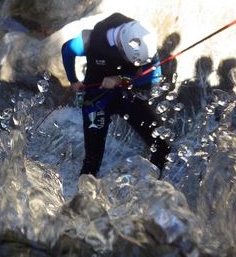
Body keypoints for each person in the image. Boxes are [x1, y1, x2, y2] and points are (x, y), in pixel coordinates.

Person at [61, 12, 170, 177]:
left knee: (161, 146)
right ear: (121, 47)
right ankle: (84, 196)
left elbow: (153, 78)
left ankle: (157, 187)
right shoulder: (91, 40)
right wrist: (73, 80)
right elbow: (67, 50)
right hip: (96, 97)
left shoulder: (145, 42)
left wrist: (122, 79)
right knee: (92, 160)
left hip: (126, 93)